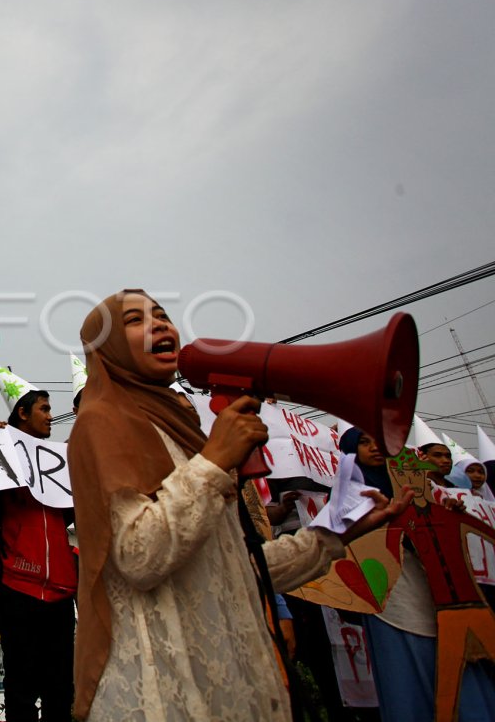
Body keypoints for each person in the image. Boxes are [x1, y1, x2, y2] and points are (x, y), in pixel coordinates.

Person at [67, 289, 410, 722]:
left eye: (163, 314)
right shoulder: (100, 422)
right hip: (168, 691)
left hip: (234, 684)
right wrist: (214, 462)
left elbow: (238, 570)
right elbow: (139, 557)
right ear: (108, 349)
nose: (159, 324)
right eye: (134, 321)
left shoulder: (186, 432)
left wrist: (335, 534)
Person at [347, 429, 495, 721]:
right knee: (406, 674)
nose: (375, 447)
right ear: (351, 451)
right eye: (364, 442)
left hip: (441, 596)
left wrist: (446, 515)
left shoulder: (419, 487)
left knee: (460, 669)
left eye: (378, 440)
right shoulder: (348, 495)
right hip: (392, 600)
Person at [0, 363, 76, 722]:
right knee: (20, 690)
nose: (52, 417)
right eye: (45, 409)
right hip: (17, 586)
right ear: (22, 413)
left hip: (62, 591)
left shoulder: (59, 461)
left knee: (60, 689)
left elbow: (68, 513)